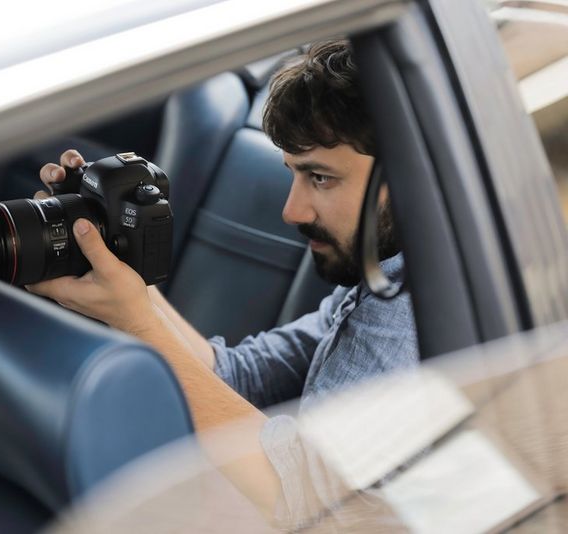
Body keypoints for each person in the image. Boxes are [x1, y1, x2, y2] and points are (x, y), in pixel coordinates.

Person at [28, 40, 418, 527]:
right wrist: (128, 284)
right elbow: (241, 377)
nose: (291, 211)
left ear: (404, 176)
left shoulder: (407, 309)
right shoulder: (375, 282)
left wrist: (138, 323)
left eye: (320, 178)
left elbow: (304, 496)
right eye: (294, 175)